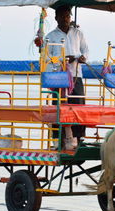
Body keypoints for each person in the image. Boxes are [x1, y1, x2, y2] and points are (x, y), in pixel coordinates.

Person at [45, 5, 89, 150]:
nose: (65, 19)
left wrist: (83, 57)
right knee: (58, 109)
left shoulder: (78, 33)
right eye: (62, 16)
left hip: (76, 74)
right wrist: (63, 60)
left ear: (70, 17)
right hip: (58, 77)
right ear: (56, 18)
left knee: (78, 107)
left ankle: (77, 139)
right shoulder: (50, 36)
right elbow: (46, 58)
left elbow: (86, 50)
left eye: (67, 16)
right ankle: (58, 140)